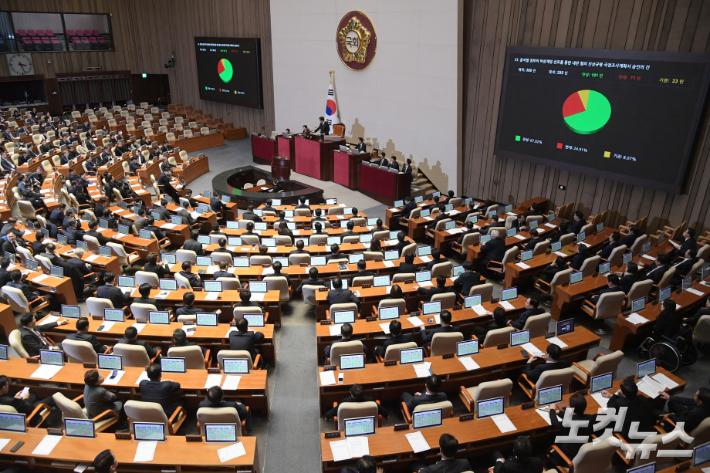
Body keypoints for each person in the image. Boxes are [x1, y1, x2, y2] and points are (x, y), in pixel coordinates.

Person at [546, 393, 594, 469]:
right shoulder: (590, 418)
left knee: (549, 458)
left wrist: (552, 410)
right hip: (585, 447)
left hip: (572, 454)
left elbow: (554, 422)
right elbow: (576, 416)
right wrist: (559, 412)